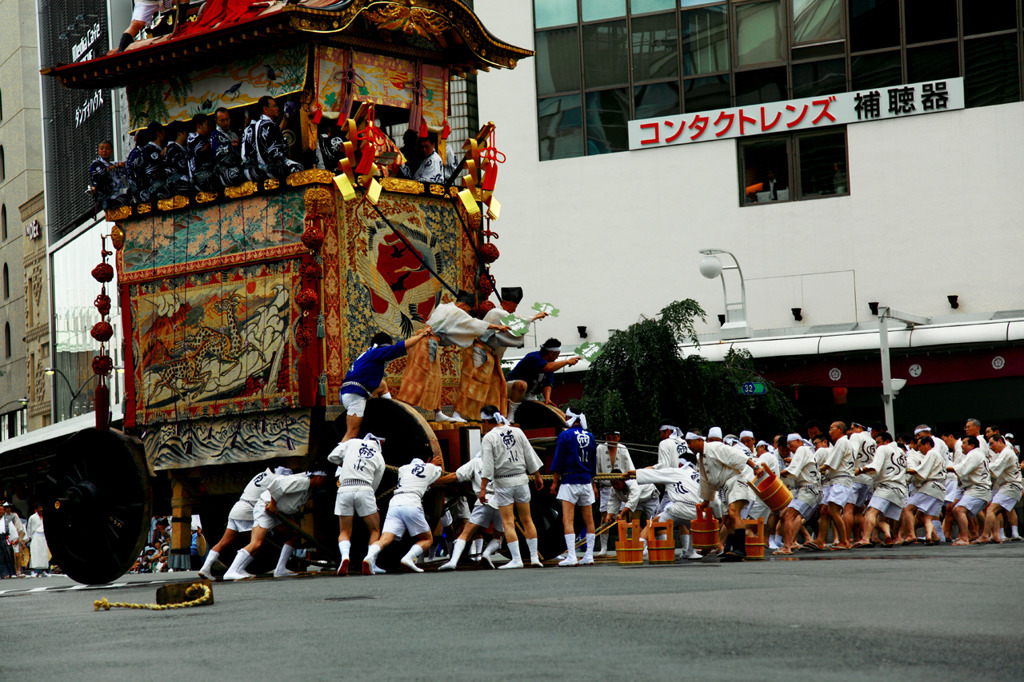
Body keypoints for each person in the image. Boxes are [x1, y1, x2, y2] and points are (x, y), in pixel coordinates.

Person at [398, 291, 508, 422]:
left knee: (436, 379)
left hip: (427, 341)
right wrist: (497, 326)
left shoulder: (443, 307)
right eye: (468, 309)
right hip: (426, 342)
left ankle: (437, 412)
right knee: (418, 377)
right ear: (462, 304)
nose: (467, 313)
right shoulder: (456, 311)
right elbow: (474, 323)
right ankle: (402, 410)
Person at [452, 287, 548, 422]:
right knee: (473, 384)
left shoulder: (503, 315)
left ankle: (490, 415)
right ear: (509, 303)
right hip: (479, 351)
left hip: (489, 355)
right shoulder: (496, 313)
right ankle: (459, 413)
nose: (515, 309)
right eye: (515, 305)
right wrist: (534, 317)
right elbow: (515, 321)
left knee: (495, 387)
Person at [223, 470, 329, 579]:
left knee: (294, 534)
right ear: (318, 477)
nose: (323, 483)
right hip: (265, 508)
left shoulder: (309, 489)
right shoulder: (301, 481)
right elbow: (276, 485)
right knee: (256, 543)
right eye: (323, 479)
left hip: (278, 513)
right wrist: (272, 503)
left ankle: (280, 569)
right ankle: (232, 571)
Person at [477, 405, 545, 569]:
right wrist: (537, 475)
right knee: (527, 520)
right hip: (521, 479)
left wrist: (483, 488)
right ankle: (534, 557)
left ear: (486, 420)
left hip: (503, 483)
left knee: (508, 522)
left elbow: (487, 465)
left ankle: (517, 559)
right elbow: (529, 454)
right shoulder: (517, 431)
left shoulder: (488, 437)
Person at [198, 466, 289, 579]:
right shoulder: (275, 480)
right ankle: (236, 569)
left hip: (237, 507)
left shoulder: (262, 474)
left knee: (224, 541)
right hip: (247, 511)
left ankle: (205, 568)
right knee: (256, 543)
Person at [340, 329, 432, 441]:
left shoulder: (368, 353)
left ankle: (390, 410)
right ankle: (337, 458)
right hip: (354, 395)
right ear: (385, 345)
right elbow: (401, 346)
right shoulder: (378, 352)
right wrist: (421, 336)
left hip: (351, 391)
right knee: (351, 433)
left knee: (382, 384)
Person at [685, 431, 760, 560]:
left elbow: (736, 455)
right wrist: (706, 500)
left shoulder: (715, 447)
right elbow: (705, 480)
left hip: (734, 481)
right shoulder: (700, 458)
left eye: (690, 442)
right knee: (726, 519)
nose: (689, 446)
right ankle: (731, 550)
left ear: (699, 440)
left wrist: (755, 467)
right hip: (723, 488)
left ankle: (740, 549)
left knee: (733, 512)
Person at [363, 455, 444, 574]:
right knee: (427, 539)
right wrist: (432, 465)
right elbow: (438, 476)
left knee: (385, 538)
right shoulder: (430, 468)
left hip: (395, 503)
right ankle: (408, 558)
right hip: (412, 502)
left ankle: (369, 557)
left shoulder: (403, 469)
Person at [436, 449, 506, 571]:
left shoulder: (476, 462)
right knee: (499, 536)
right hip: (501, 501)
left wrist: (435, 482)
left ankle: (453, 561)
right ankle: (486, 553)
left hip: (483, 500)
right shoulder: (502, 462)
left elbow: (455, 476)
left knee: (466, 533)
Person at [327, 434, 387, 575]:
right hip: (364, 489)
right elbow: (375, 484)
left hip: (344, 488)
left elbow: (331, 457)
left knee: (344, 532)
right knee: (375, 530)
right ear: (380, 444)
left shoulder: (352, 443)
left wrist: (344, 464)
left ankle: (345, 557)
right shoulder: (379, 457)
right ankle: (370, 560)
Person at [550, 408, 598, 567]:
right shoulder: (590, 436)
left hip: (570, 480)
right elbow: (593, 463)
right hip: (586, 481)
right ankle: (589, 555)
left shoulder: (565, 435)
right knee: (589, 519)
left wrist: (555, 481)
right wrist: (593, 484)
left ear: (569, 418)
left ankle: (571, 555)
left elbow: (558, 460)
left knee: (567, 519)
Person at [506, 338, 580, 422]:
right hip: (512, 389)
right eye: (557, 355)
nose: (557, 358)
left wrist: (547, 399)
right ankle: (510, 415)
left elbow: (547, 384)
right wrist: (567, 361)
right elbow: (548, 367)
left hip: (529, 394)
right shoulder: (533, 357)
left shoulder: (550, 365)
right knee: (522, 384)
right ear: (552, 353)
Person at [807, 421, 855, 551]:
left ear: (840, 429)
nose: (829, 431)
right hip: (835, 480)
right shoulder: (840, 443)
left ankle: (844, 541)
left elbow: (829, 464)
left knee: (834, 511)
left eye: (831, 428)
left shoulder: (842, 442)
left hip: (841, 480)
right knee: (824, 511)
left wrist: (812, 471)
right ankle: (820, 540)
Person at [855, 431, 907, 546]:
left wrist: (860, 470)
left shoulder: (883, 449)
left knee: (871, 513)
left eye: (878, 442)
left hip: (886, 486)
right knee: (882, 520)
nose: (877, 446)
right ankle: (889, 536)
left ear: (886, 441)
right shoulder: (901, 452)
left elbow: (875, 466)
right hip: (900, 489)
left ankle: (865, 539)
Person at [776, 433, 823, 555]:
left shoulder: (802, 449)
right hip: (806, 489)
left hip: (808, 489)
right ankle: (790, 542)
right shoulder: (805, 451)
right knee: (784, 515)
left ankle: (787, 546)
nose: (789, 447)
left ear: (797, 440)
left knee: (789, 516)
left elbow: (792, 470)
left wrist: (780, 473)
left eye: (790, 444)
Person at [241, 96, 303, 181]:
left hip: (257, 168)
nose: (277, 108)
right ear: (265, 109)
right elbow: (275, 154)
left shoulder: (258, 125)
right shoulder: (269, 125)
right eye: (274, 106)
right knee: (298, 167)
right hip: (271, 169)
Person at [594, 430, 634, 556]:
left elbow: (630, 468)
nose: (611, 440)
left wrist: (630, 482)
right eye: (608, 437)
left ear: (618, 437)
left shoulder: (623, 448)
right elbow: (594, 469)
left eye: (613, 437)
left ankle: (626, 543)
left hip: (623, 486)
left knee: (625, 515)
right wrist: (594, 486)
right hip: (606, 486)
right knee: (605, 517)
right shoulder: (600, 448)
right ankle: (604, 547)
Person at [947, 435, 991, 545]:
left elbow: (962, 469)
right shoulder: (972, 455)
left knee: (959, 510)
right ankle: (973, 534)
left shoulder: (975, 454)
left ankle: (965, 537)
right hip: (973, 488)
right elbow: (961, 468)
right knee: (957, 510)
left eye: (965, 443)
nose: (962, 445)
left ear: (972, 445)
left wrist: (943, 468)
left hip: (978, 488)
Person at [903, 435, 947, 545]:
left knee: (908, 509)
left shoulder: (931, 453)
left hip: (930, 487)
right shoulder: (939, 455)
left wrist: (908, 471)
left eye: (920, 446)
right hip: (940, 489)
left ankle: (911, 535)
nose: (919, 449)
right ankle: (931, 536)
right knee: (927, 516)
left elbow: (922, 471)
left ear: (927, 444)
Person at [979, 435, 1022, 543]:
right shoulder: (1006, 452)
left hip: (1011, 486)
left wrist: (979, 467)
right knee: (996, 511)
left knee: (991, 510)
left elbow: (993, 469)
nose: (991, 447)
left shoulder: (1006, 452)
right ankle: (996, 535)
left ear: (999, 441)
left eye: (992, 443)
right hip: (1009, 485)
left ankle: (985, 535)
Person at [89, 140, 129, 209]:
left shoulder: (113, 164)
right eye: (102, 148)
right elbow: (100, 174)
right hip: (105, 197)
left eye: (107, 148)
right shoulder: (95, 164)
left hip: (115, 194)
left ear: (112, 150)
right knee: (123, 202)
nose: (104, 151)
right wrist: (116, 166)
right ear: (98, 151)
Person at [212, 107, 246, 187]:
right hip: (225, 172)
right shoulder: (215, 136)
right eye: (222, 121)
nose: (225, 123)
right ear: (216, 120)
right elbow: (219, 155)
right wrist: (232, 147)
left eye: (227, 119)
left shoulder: (233, 134)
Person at [187, 113, 218, 192]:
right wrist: (212, 141)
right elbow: (201, 151)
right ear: (199, 125)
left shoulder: (202, 138)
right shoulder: (193, 139)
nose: (209, 128)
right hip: (201, 176)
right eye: (207, 125)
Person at [163, 121, 194, 195]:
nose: (187, 135)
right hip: (179, 187)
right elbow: (182, 167)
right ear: (179, 133)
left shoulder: (178, 148)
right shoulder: (173, 149)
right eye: (186, 132)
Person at [25, 504, 48, 577]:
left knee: (44, 554)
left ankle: (44, 571)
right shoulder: (32, 517)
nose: (41, 509)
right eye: (39, 508)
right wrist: (29, 537)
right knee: (35, 554)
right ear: (36, 509)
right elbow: (29, 528)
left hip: (43, 536)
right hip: (35, 535)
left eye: (42, 508)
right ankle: (33, 571)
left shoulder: (45, 516)